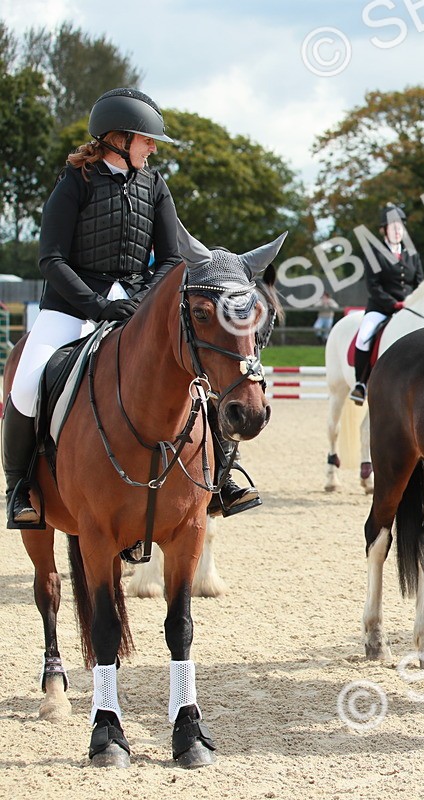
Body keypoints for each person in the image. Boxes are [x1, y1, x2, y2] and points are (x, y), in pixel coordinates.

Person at [4, 88, 261, 527]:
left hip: (136, 305)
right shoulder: (75, 183)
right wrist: (98, 305)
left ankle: (222, 477)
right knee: (26, 386)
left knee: (196, 375)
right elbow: (51, 259)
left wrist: (140, 302)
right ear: (116, 139)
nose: (153, 147)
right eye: (146, 139)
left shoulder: (154, 184)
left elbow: (170, 257)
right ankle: (20, 488)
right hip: (71, 307)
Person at [349, 203, 424, 405]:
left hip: (409, 309)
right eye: (393, 227)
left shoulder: (412, 254)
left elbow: (419, 283)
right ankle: (360, 384)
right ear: (384, 230)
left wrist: (412, 302)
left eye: (400, 227)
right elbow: (373, 286)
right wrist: (393, 304)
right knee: (364, 336)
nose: (398, 231)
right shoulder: (375, 253)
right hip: (381, 308)